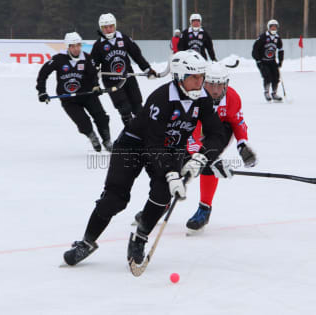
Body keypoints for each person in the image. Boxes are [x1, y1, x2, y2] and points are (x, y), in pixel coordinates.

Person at [63, 50, 228, 267]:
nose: (200, 82)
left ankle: (139, 239)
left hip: (167, 148)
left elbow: (217, 133)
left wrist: (201, 158)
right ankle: (86, 242)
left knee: (162, 194)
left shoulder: (202, 99)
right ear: (179, 77)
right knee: (114, 199)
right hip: (134, 146)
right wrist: (171, 173)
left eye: (201, 77)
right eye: (194, 77)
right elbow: (154, 143)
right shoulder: (161, 99)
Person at [185, 62, 257, 232]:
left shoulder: (232, 97)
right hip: (195, 130)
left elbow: (238, 122)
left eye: (220, 85)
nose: (216, 90)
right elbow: (191, 134)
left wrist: (242, 144)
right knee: (179, 161)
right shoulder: (193, 97)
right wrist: (198, 154)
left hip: (220, 132)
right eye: (211, 84)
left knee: (209, 164)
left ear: (227, 84)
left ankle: (205, 208)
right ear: (203, 82)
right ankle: (163, 200)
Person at [36, 32, 112, 152]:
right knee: (83, 122)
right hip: (69, 99)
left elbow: (93, 76)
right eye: (72, 46)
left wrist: (96, 86)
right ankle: (91, 135)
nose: (76, 48)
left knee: (101, 117)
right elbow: (43, 74)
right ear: (68, 47)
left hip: (87, 95)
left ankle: (107, 141)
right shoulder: (58, 59)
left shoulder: (87, 58)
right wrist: (42, 92)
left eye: (78, 45)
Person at [91, 13, 157, 127]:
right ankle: (131, 132)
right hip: (112, 81)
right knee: (124, 108)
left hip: (128, 78)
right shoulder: (98, 45)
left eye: (110, 26)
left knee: (138, 107)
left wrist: (147, 69)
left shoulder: (124, 38)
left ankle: (145, 132)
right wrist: (95, 84)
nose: (108, 29)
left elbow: (137, 55)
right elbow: (93, 67)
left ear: (115, 26)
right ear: (101, 28)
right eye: (105, 27)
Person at [252, 19, 284, 102]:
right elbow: (255, 49)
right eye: (272, 27)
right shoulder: (263, 37)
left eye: (275, 27)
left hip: (272, 61)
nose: (273, 29)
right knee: (267, 76)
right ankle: (266, 92)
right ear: (268, 28)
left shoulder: (277, 38)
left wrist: (280, 61)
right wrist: (258, 60)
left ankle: (274, 93)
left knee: (276, 76)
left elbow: (280, 50)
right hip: (263, 61)